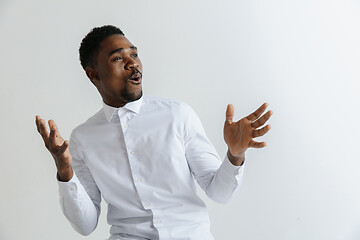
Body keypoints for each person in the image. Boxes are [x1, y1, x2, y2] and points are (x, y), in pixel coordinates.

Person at [35, 25, 272, 240]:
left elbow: (219, 192)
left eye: (134, 54)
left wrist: (235, 155)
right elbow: (85, 225)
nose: (133, 63)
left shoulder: (178, 115)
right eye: (118, 58)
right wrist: (64, 170)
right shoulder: (83, 138)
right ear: (93, 74)